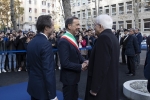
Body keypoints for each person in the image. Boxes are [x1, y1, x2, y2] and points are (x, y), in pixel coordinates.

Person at [85, 14, 120, 100]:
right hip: (110, 83)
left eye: (95, 25)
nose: (94, 28)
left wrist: (94, 88)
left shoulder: (103, 38)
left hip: (102, 88)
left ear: (100, 26)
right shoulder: (113, 37)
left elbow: (101, 66)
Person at [26, 15, 58, 100]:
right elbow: (48, 71)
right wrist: (53, 95)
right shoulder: (46, 44)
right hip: (43, 91)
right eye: (52, 25)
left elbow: (28, 66)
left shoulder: (31, 43)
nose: (53, 28)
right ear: (46, 28)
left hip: (34, 87)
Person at [58, 17, 88, 100]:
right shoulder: (64, 41)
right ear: (69, 26)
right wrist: (81, 66)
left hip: (74, 77)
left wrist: (85, 61)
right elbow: (65, 63)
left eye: (79, 25)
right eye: (77, 24)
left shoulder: (72, 37)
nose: (79, 27)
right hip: (68, 78)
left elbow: (78, 54)